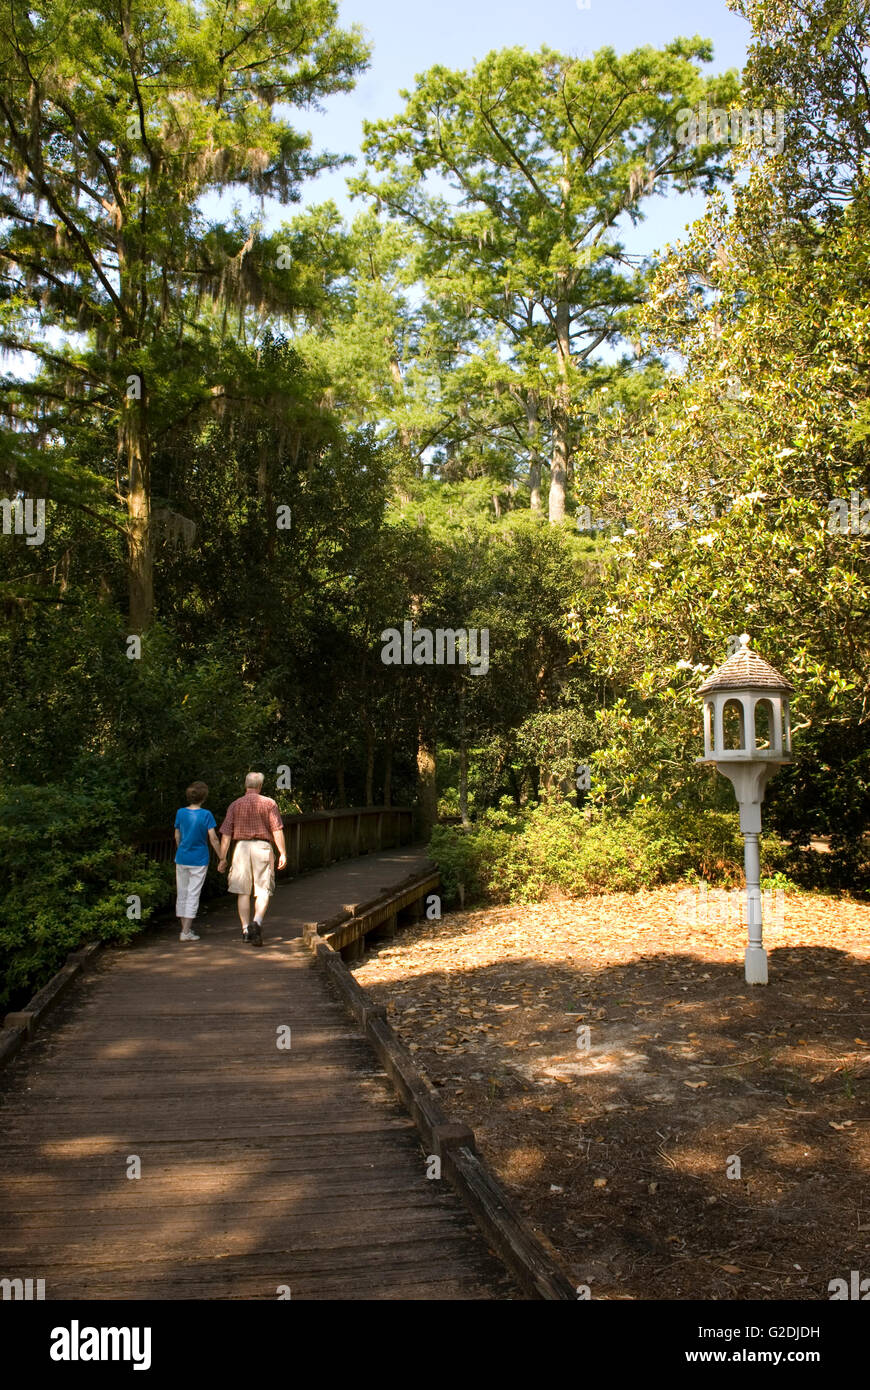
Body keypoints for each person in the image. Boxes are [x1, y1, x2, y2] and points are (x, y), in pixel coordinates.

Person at [217, 772, 287, 946]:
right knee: (263, 890)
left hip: (241, 848)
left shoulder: (235, 805)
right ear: (260, 786)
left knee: (243, 892)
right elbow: (277, 829)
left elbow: (226, 833)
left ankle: (245, 930)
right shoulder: (269, 803)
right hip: (262, 847)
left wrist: (222, 857)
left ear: (245, 785)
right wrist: (283, 852)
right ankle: (257, 922)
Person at [174, 781, 220, 942]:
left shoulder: (180, 813)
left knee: (182, 892)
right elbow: (213, 838)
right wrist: (222, 857)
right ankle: (186, 931)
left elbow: (177, 835)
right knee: (193, 893)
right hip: (199, 858)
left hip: (182, 857)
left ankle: (185, 929)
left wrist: (181, 848)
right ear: (204, 797)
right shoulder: (206, 814)